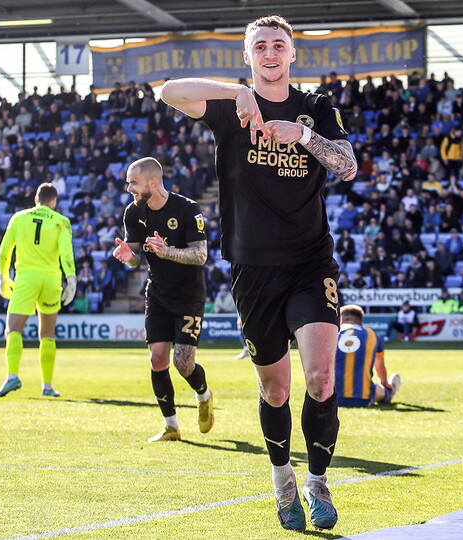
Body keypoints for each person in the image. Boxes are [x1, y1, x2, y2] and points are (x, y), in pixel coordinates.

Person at [160, 15, 357, 531]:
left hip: (311, 263)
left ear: (293, 55)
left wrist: (304, 136)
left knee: (321, 376)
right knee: (275, 390)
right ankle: (282, 483)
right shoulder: (230, 107)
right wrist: (235, 93)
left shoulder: (316, 108)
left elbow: (348, 165)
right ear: (249, 57)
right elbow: (168, 90)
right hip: (252, 267)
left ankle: (317, 483)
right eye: (260, 47)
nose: (271, 53)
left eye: (279, 45)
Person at [113, 157, 215, 442]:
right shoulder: (133, 213)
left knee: (183, 364)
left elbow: (201, 255)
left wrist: (167, 251)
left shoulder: (188, 209)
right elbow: (135, 256)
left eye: (133, 182)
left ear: (153, 182)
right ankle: (171, 426)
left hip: (189, 296)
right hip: (157, 293)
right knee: (158, 359)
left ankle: (204, 394)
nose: (128, 188)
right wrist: (129, 258)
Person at [0, 182, 77, 398]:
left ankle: (12, 377)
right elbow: (66, 252)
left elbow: (4, 251)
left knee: (13, 330)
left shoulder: (19, 218)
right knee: (47, 334)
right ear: (54, 202)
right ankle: (47, 386)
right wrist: (71, 277)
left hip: (27, 278)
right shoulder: (61, 221)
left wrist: (3, 276)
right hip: (51, 279)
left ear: (35, 199)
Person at [335, 304, 400, 407]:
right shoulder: (372, 335)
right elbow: (380, 367)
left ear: (341, 320)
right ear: (360, 320)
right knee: (380, 389)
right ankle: (389, 391)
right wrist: (384, 383)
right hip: (362, 399)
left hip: (331, 400)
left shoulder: (333, 334)